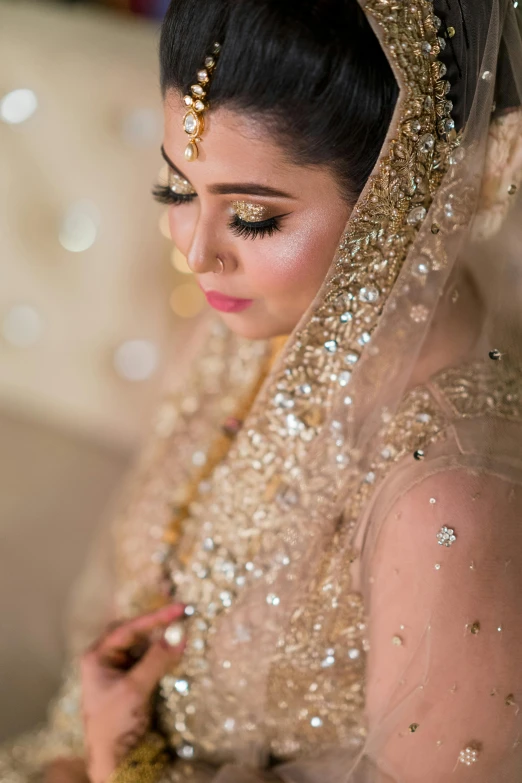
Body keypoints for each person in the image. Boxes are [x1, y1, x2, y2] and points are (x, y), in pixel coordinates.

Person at [2, 0, 522, 780]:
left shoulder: (446, 503)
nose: (195, 251)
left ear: (404, 195)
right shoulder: (259, 324)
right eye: (176, 190)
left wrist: (127, 763)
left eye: (250, 215)